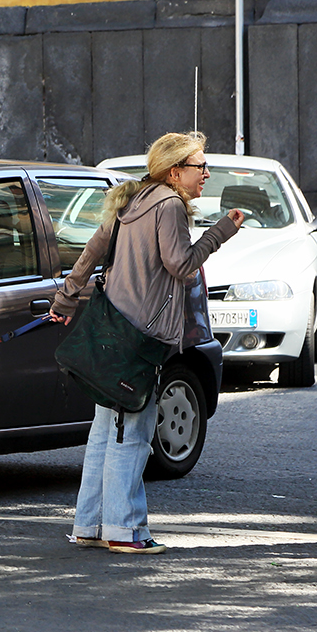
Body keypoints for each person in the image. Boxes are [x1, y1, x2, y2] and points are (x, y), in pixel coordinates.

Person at [49, 132, 243, 553]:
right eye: (200, 166)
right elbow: (182, 265)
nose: (206, 174)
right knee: (132, 434)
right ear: (175, 172)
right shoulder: (170, 205)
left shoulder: (129, 199)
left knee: (105, 431)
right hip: (141, 336)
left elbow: (92, 250)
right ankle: (124, 529)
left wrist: (66, 296)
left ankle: (90, 524)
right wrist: (222, 231)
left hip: (112, 329)